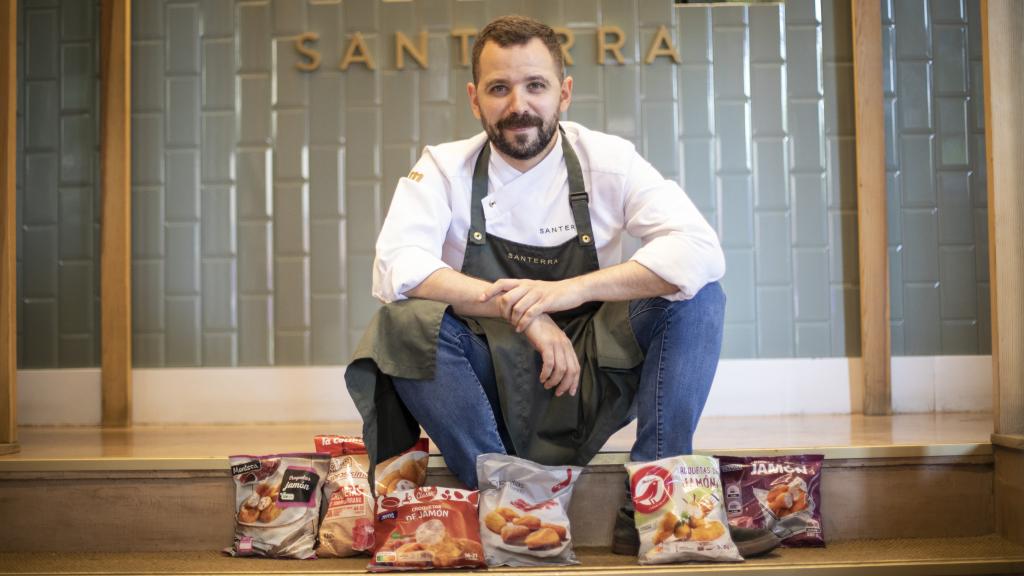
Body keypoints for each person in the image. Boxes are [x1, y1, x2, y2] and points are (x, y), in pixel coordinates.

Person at [346, 15, 777, 557]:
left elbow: (699, 249)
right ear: (475, 100)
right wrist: (525, 313)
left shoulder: (609, 161)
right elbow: (396, 265)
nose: (518, 104)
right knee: (401, 322)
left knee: (696, 293)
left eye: (536, 86)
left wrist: (566, 292)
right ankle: (509, 508)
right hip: (488, 379)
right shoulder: (442, 167)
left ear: (564, 93)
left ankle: (657, 505)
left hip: (593, 370)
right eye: (499, 89)